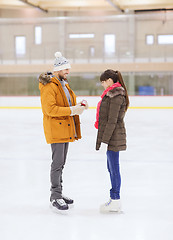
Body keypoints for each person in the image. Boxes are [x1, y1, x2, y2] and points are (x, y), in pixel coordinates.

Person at [39, 51, 88, 212]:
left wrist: (78, 105)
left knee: (61, 163)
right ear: (57, 69)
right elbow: (50, 109)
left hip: (65, 128)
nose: (68, 72)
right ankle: (55, 196)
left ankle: (58, 192)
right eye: (65, 69)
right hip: (56, 129)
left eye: (68, 69)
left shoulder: (64, 84)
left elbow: (67, 104)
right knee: (57, 164)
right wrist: (73, 110)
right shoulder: (49, 86)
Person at [95, 69, 129, 213]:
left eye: (103, 82)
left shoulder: (116, 95)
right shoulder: (111, 94)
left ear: (109, 80)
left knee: (114, 169)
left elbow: (112, 121)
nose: (102, 85)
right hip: (111, 136)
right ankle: (114, 198)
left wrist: (104, 141)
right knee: (111, 168)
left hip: (113, 137)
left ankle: (115, 199)